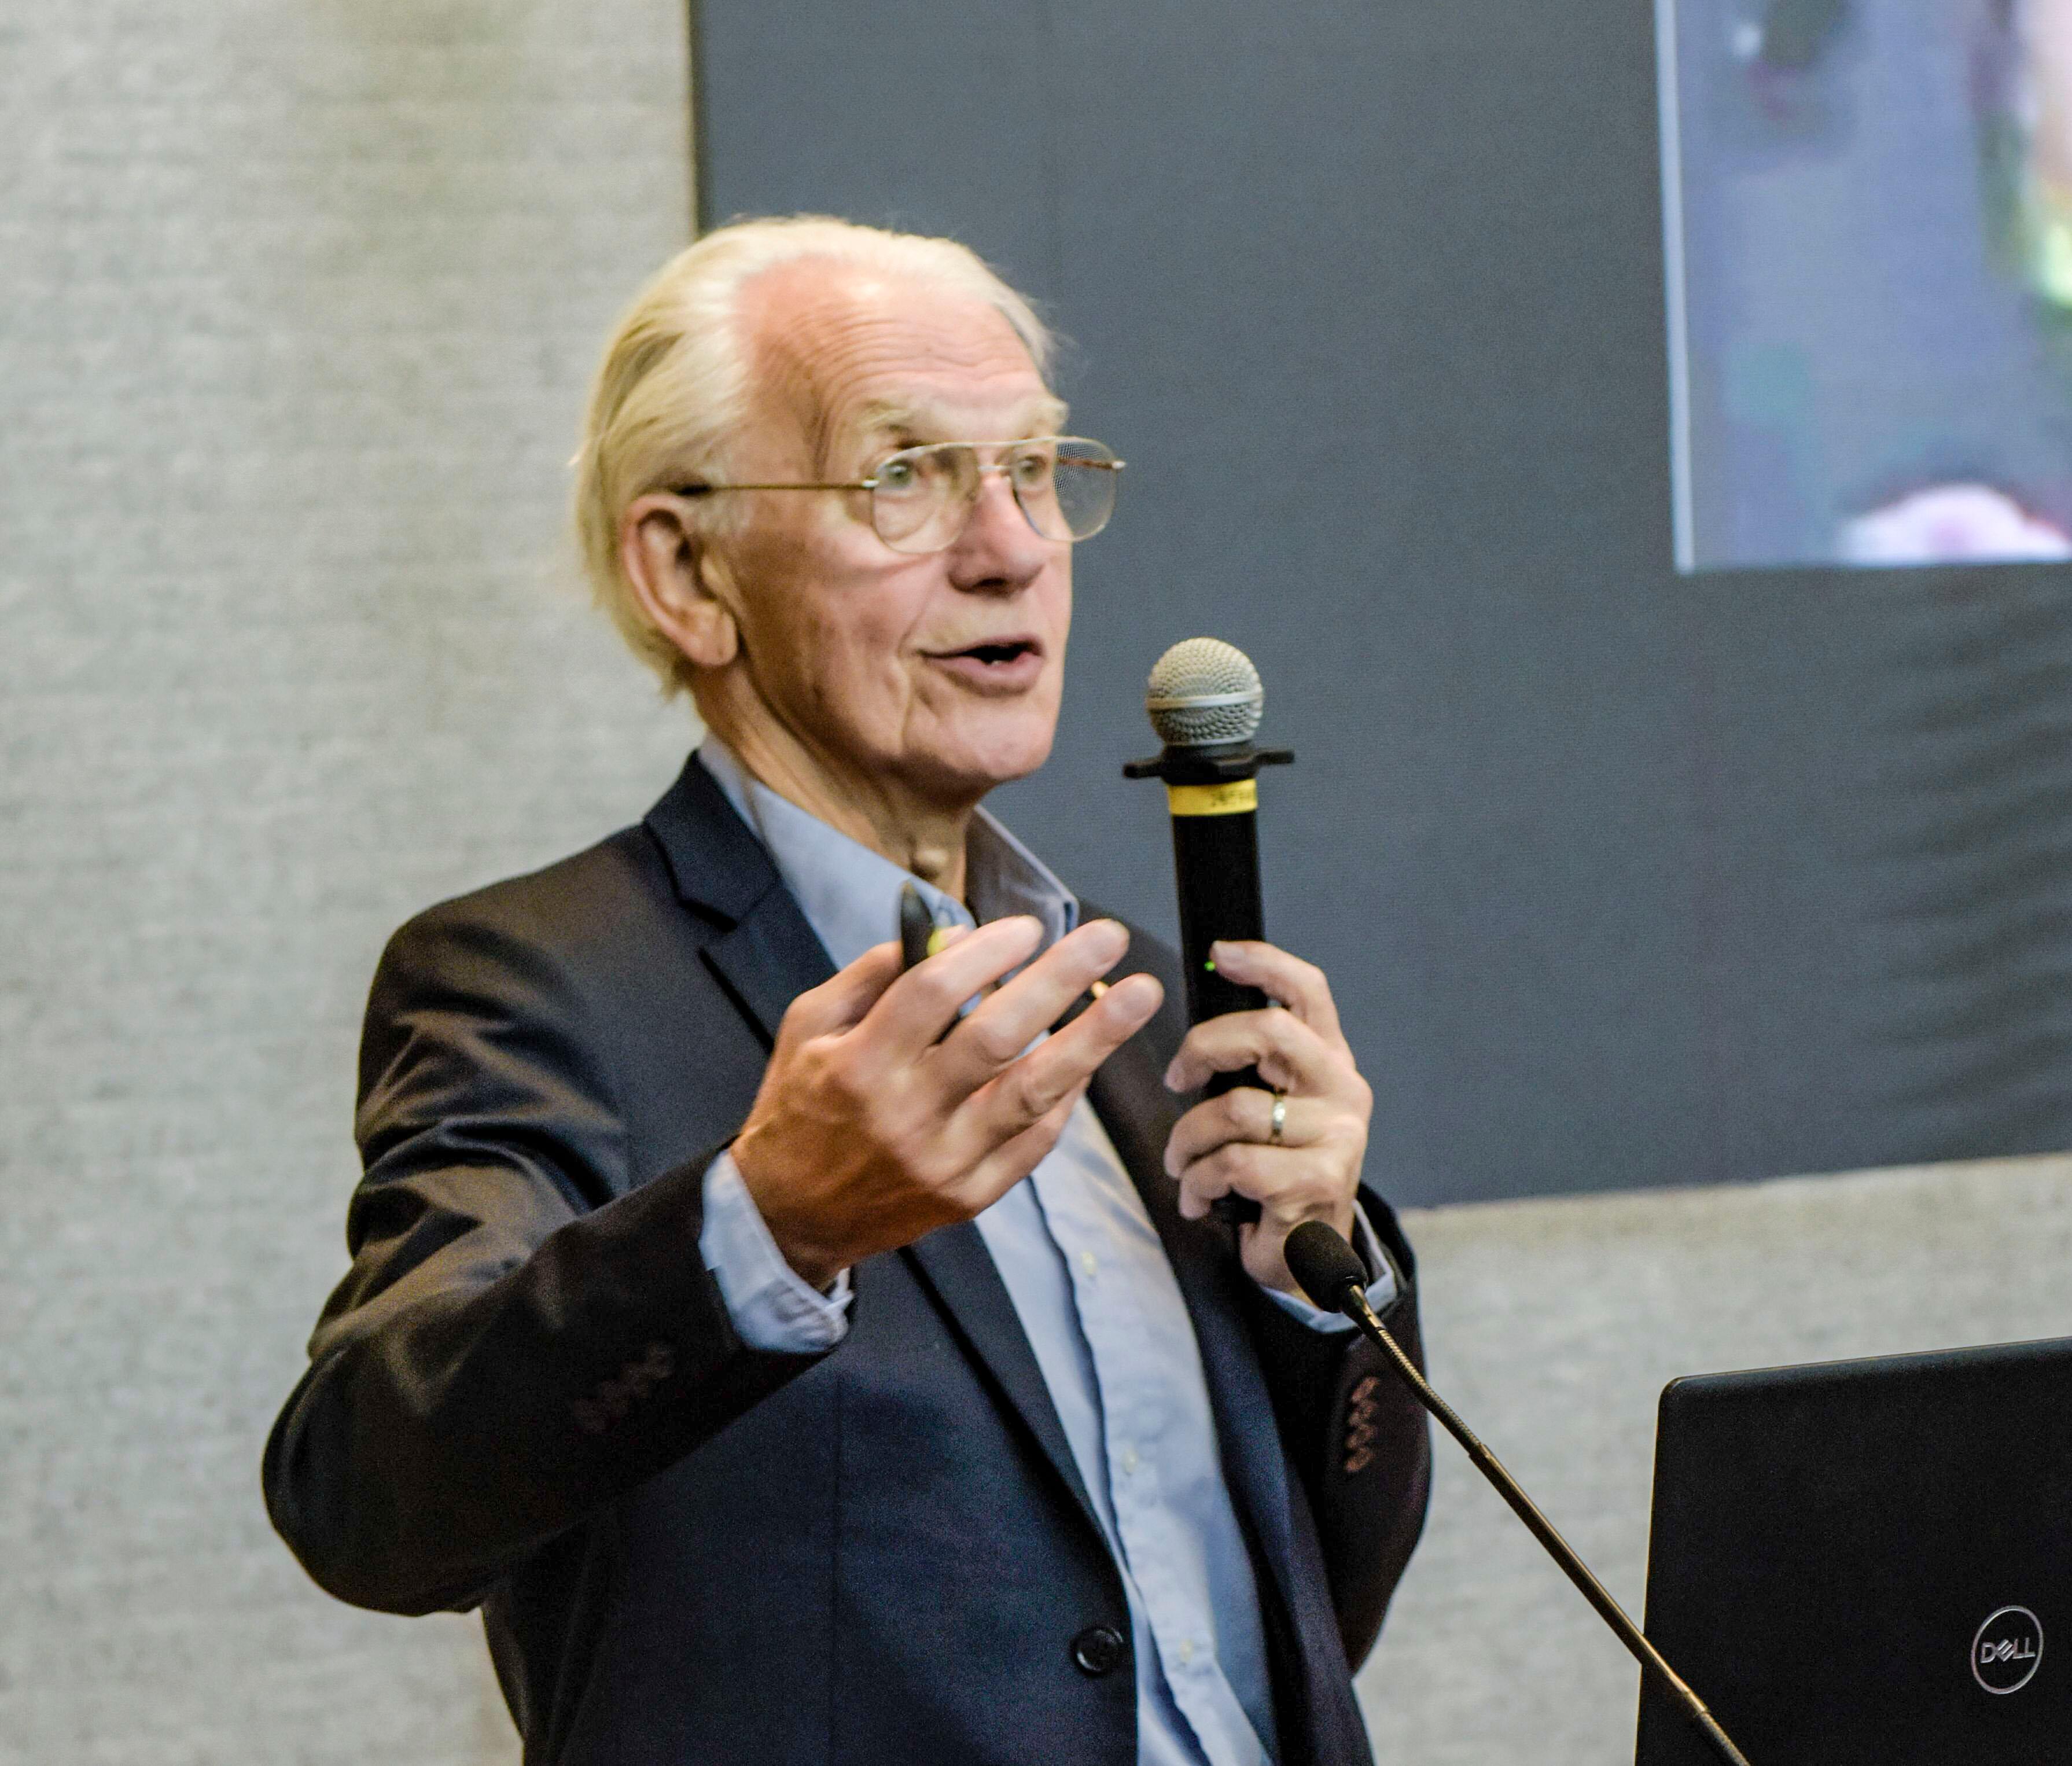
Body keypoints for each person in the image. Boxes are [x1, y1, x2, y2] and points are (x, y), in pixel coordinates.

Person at [262, 216, 1430, 1766]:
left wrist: (1318, 1289)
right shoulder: (543, 983)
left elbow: (1297, 1606)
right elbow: (368, 1495)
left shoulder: (1134, 1004)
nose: (1009, 544)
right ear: (687, 569)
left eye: (1032, 471)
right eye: (906, 476)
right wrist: (768, 1223)